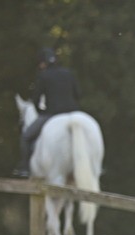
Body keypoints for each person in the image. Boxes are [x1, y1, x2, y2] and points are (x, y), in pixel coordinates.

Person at [13, 47, 81, 178]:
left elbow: (36, 99)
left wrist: (41, 112)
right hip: (73, 112)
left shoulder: (43, 76)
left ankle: (25, 168)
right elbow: (78, 94)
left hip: (52, 113)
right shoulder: (69, 73)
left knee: (26, 137)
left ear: (43, 63)